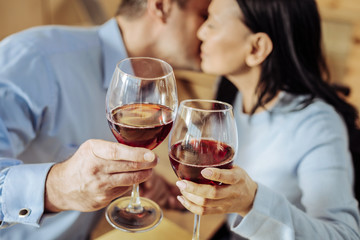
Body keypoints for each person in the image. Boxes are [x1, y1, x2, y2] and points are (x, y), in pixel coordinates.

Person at [0, 0, 209, 239]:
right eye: (204, 15)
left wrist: (124, 184)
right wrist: (56, 189)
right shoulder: (34, 58)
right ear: (162, 6)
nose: (209, 31)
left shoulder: (156, 89)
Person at [174, 0, 360, 239]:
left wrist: (252, 202)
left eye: (213, 23)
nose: (201, 32)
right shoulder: (229, 92)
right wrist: (182, 194)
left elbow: (345, 235)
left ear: (256, 48)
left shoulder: (318, 125)